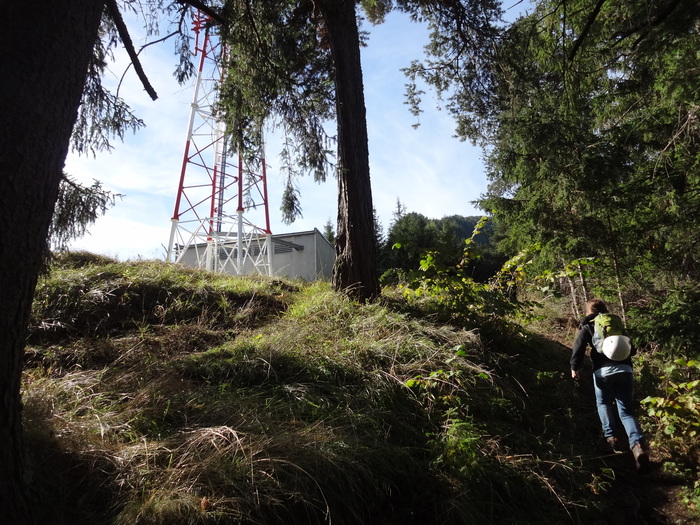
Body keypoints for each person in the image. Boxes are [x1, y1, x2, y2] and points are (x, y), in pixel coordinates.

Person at [571, 298, 650, 473]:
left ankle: (611, 438)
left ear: (589, 312)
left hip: (602, 372)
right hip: (625, 370)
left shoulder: (589, 326)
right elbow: (633, 350)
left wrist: (574, 367)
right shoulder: (617, 326)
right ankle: (638, 445)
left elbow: (578, 347)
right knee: (627, 412)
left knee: (603, 403)